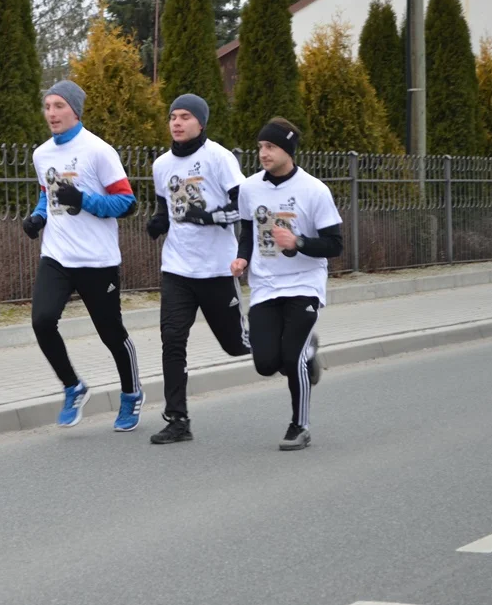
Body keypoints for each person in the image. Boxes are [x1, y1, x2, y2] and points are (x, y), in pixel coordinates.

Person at [22, 80, 143, 431]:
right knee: (42, 321)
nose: (51, 113)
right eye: (47, 106)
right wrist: (38, 217)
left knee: (110, 333)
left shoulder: (99, 151)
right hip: (57, 256)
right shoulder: (42, 154)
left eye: (58, 106)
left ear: (75, 110)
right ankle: (73, 387)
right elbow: (48, 194)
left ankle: (132, 394)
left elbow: (127, 203)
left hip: (97, 260)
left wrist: (85, 201)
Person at [230, 118, 343, 451]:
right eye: (261, 147)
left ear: (288, 151)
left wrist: (299, 243)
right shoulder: (250, 188)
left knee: (291, 359)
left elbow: (335, 244)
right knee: (266, 364)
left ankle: (300, 425)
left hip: (304, 283)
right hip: (265, 284)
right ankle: (308, 351)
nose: (263, 153)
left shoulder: (314, 190)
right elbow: (248, 232)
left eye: (271, 147)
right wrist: (242, 258)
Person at [146, 94, 251, 445]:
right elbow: (166, 209)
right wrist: (157, 224)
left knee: (237, 347)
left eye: (185, 116)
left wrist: (209, 217)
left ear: (201, 123)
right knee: (172, 340)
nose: (177, 122)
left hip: (217, 270)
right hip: (177, 269)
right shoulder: (161, 165)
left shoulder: (218, 158)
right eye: (173, 116)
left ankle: (299, 351)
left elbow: (246, 207)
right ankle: (178, 419)